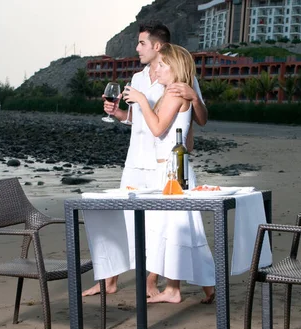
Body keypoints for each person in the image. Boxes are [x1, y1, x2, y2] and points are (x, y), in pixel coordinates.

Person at [82, 22, 209, 298]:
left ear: (157, 46)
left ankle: (152, 281)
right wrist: (118, 114)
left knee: (157, 224)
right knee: (122, 218)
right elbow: (136, 119)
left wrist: (193, 99)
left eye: (141, 43)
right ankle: (109, 280)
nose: (137, 48)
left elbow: (198, 118)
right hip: (135, 159)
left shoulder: (178, 75)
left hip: (162, 163)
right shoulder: (137, 79)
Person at [122, 43, 215, 304]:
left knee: (173, 228)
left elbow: (158, 129)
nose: (157, 69)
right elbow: (188, 138)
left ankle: (173, 290)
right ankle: (206, 286)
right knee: (182, 228)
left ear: (174, 68)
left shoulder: (174, 94)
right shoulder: (174, 93)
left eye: (162, 65)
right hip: (175, 166)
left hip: (170, 170)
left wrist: (141, 100)